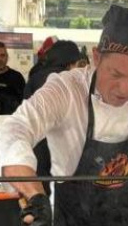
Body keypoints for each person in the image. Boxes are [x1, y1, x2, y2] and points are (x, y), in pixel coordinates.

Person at [0, 5, 128, 226]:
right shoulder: (66, 90)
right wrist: (34, 195)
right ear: (95, 57)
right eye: (115, 74)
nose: (125, 89)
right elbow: (13, 130)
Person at [23, 40, 83, 197]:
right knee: (68, 188)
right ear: (71, 62)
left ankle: (43, 218)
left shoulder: (35, 78)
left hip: (39, 142)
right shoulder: (70, 80)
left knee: (41, 187)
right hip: (66, 141)